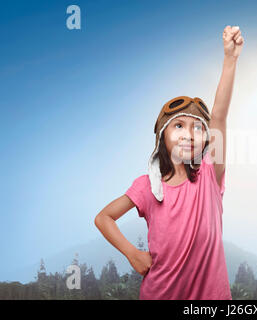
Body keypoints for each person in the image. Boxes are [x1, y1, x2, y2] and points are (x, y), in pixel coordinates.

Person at [94, 25, 244, 300]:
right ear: (163, 137)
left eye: (197, 128)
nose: (189, 134)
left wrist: (230, 59)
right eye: (178, 126)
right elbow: (104, 218)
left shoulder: (211, 175)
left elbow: (220, 117)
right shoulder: (146, 187)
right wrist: (132, 253)